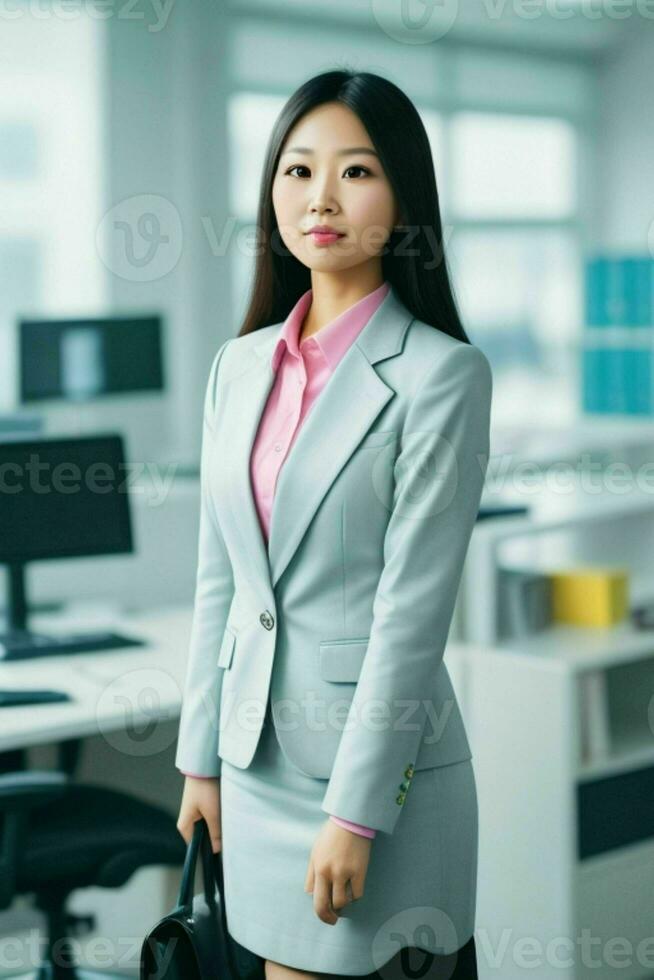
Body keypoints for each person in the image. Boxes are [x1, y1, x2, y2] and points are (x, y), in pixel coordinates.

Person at [176, 69, 492, 980]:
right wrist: (200, 759)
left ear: (404, 195)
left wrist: (356, 816)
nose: (320, 199)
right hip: (252, 762)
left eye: (356, 173)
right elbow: (221, 585)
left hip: (369, 772)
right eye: (296, 170)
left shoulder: (442, 376)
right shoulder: (237, 367)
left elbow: (412, 616)